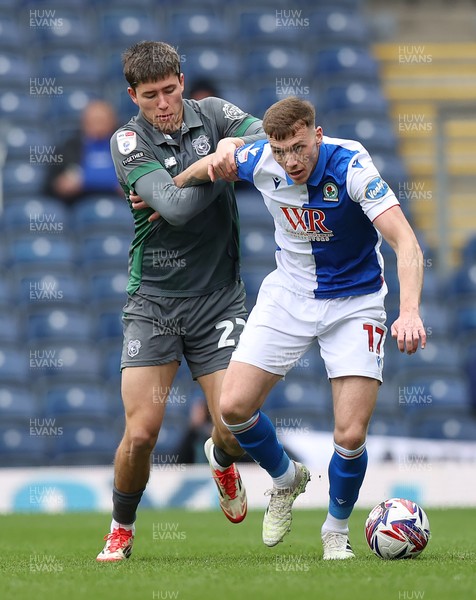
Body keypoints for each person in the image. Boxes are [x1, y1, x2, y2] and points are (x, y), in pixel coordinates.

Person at [205, 96, 426, 559]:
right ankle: (287, 478)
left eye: (299, 147)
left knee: (349, 435)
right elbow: (209, 166)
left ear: (317, 134)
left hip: (355, 301)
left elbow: (406, 240)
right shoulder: (261, 158)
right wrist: (162, 193)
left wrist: (409, 312)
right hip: (289, 293)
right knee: (233, 407)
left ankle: (335, 531)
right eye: (281, 151)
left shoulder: (353, 168)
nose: (290, 160)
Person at [96, 41, 264, 562]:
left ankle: (220, 459)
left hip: (219, 299)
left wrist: (202, 169)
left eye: (170, 90)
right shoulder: (127, 140)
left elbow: (264, 137)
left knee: (234, 427)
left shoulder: (214, 114)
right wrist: (222, 166)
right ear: (134, 95)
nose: (163, 103)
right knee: (142, 432)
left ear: (182, 82)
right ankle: (121, 528)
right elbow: (175, 209)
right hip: (155, 302)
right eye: (151, 96)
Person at [44, 100, 121, 202]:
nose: (98, 126)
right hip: (79, 202)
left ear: (112, 122)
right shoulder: (68, 147)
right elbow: (49, 186)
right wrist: (62, 185)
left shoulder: (128, 146)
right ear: (84, 122)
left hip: (120, 203)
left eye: (102, 121)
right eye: (93, 121)